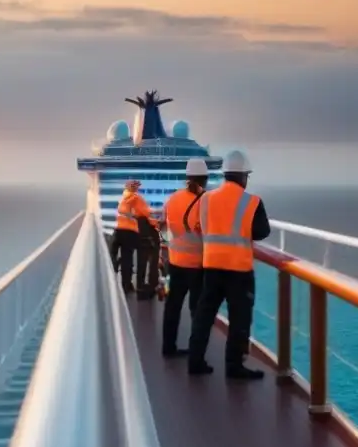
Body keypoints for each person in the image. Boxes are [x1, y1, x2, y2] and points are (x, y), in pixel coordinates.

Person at [187, 149, 271, 379]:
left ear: (225, 174)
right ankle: (234, 367)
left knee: (204, 316)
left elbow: (199, 225)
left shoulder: (206, 199)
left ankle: (195, 361)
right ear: (244, 176)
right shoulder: (252, 202)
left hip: (211, 266)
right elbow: (262, 232)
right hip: (239, 269)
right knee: (239, 319)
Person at [161, 158, 208, 356]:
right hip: (197, 264)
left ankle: (168, 347)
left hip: (175, 261)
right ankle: (196, 353)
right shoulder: (205, 201)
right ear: (204, 179)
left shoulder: (172, 199)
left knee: (173, 306)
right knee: (197, 310)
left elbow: (164, 226)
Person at [108, 179, 150, 293]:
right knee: (128, 258)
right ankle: (126, 285)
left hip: (118, 230)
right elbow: (146, 213)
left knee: (114, 253)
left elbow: (118, 212)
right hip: (130, 232)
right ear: (136, 188)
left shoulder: (122, 198)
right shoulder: (137, 198)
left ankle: (116, 268)